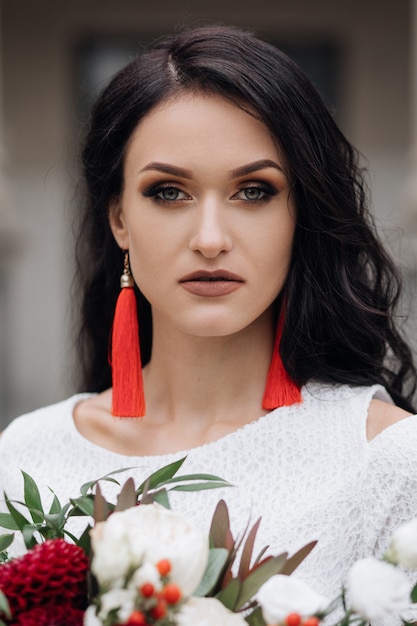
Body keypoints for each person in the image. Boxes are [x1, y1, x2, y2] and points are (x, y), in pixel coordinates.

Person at [1, 24, 417, 620]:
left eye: (254, 191)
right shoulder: (25, 457)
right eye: (169, 192)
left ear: (301, 214)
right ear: (119, 216)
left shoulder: (391, 463)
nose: (211, 239)